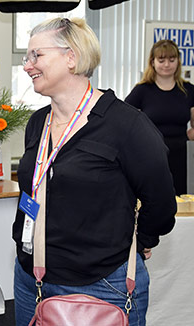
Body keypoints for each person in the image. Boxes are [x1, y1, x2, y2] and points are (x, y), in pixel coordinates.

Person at [14, 17, 177, 326]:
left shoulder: (127, 125)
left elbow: (161, 203)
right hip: (30, 276)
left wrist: (138, 239)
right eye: (27, 56)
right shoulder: (38, 123)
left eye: (37, 55)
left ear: (71, 57)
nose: (27, 65)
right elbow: (34, 189)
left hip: (100, 283)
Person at [125, 39, 194, 196]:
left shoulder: (190, 91)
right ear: (152, 62)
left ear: (178, 62)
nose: (167, 64)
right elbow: (124, 122)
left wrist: (179, 141)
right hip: (150, 157)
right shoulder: (142, 91)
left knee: (179, 200)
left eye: (171, 59)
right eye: (161, 60)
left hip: (181, 157)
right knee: (152, 199)